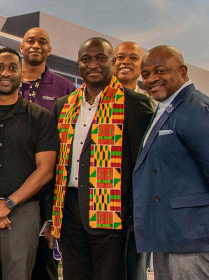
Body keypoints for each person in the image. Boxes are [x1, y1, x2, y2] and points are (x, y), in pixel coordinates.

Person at [49, 37, 154, 280]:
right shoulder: (64, 105)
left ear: (113, 62)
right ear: (79, 64)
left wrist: (133, 215)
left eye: (100, 58)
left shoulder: (135, 104)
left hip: (112, 212)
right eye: (86, 59)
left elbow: (143, 165)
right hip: (69, 210)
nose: (93, 64)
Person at [0, 47, 57, 280]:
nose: (6, 73)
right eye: (0, 67)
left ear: (22, 74)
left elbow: (45, 170)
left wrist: (9, 204)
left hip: (23, 212)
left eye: (13, 68)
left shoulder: (40, 117)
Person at [133, 45, 209, 280]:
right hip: (169, 234)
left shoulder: (195, 109)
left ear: (182, 71)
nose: (151, 79)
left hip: (191, 236)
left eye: (160, 71)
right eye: (145, 75)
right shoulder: (167, 107)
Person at [17, 26, 76, 280]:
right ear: (21, 46)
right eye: (30, 40)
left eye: (42, 41)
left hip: (48, 187)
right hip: (7, 181)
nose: (36, 45)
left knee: (45, 258)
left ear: (50, 49)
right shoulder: (3, 82)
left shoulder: (65, 88)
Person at [111, 40, 151, 280]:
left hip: (136, 209)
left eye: (133, 58)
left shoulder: (151, 104)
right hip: (101, 208)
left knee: (135, 271)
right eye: (120, 57)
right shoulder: (95, 102)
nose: (125, 62)